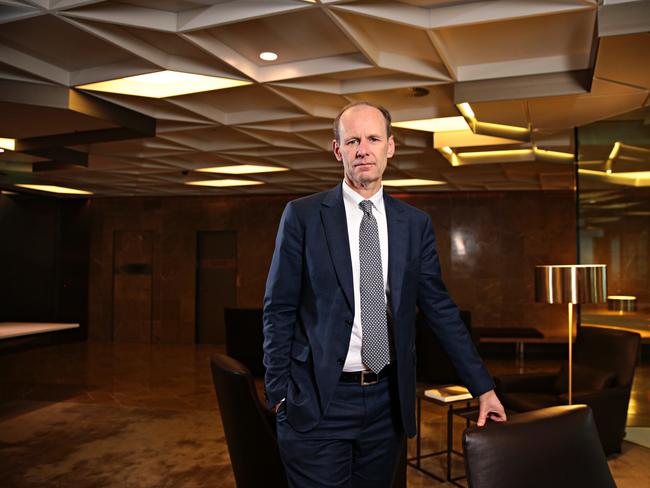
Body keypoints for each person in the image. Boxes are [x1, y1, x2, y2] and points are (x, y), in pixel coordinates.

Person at [263, 101, 506, 488]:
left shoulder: (414, 225)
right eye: (353, 140)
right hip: (318, 402)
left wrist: (483, 386)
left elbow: (440, 309)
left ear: (390, 147)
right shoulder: (303, 216)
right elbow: (279, 307)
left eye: (373, 138)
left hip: (386, 406)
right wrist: (279, 393)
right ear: (337, 149)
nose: (363, 149)